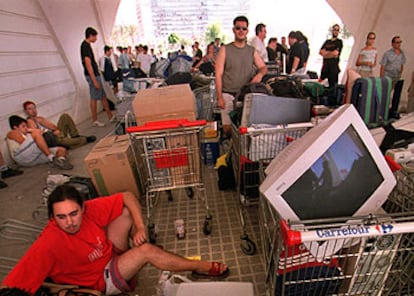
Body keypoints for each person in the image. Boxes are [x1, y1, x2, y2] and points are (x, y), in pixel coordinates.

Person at [1, 185, 229, 294]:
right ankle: (201, 266)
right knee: (147, 251)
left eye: (74, 214)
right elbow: (8, 287)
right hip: (97, 280)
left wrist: (139, 228)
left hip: (107, 254)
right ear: (52, 217)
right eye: (61, 217)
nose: (69, 222)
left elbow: (127, 196)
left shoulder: (90, 210)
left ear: (83, 207)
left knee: (124, 211)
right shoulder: (48, 243)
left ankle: (137, 256)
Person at [215, 15, 267, 137]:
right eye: (238, 28)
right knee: (228, 130)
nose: (241, 31)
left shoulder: (251, 51)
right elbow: (218, 74)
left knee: (244, 131)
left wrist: (260, 74)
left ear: (247, 31)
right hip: (228, 94)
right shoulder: (225, 49)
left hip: (245, 96)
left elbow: (263, 67)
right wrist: (219, 98)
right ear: (234, 30)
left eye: (244, 29)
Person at [6, 115, 73, 170]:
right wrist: (32, 131)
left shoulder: (29, 135)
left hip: (33, 157)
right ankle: (51, 157)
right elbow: (23, 142)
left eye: (26, 126)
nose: (26, 128)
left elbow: (34, 144)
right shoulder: (12, 133)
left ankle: (61, 161)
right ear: (15, 127)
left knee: (61, 149)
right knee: (37, 134)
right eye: (23, 126)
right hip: (21, 157)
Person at [23, 101, 96, 149]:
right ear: (26, 111)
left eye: (34, 108)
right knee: (69, 142)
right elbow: (38, 134)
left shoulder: (40, 118)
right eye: (30, 109)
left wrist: (53, 129)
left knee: (64, 116)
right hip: (52, 139)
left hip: (56, 134)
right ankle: (84, 140)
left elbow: (54, 126)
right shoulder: (29, 121)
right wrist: (51, 132)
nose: (33, 110)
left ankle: (75, 135)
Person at [80, 27, 114, 127]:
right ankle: (95, 119)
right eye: (95, 36)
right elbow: (88, 63)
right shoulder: (85, 46)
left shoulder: (88, 45)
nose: (96, 39)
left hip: (96, 75)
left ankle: (110, 115)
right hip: (92, 76)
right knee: (94, 97)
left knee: (103, 96)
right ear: (90, 35)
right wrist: (94, 80)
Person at [380, 35, 406, 118]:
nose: (399, 44)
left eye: (400, 42)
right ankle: (381, 111)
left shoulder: (402, 54)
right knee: (385, 94)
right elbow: (383, 66)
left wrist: (400, 73)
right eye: (397, 42)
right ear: (393, 44)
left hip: (397, 77)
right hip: (388, 77)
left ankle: (392, 112)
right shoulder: (387, 54)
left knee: (396, 96)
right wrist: (382, 78)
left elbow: (402, 65)